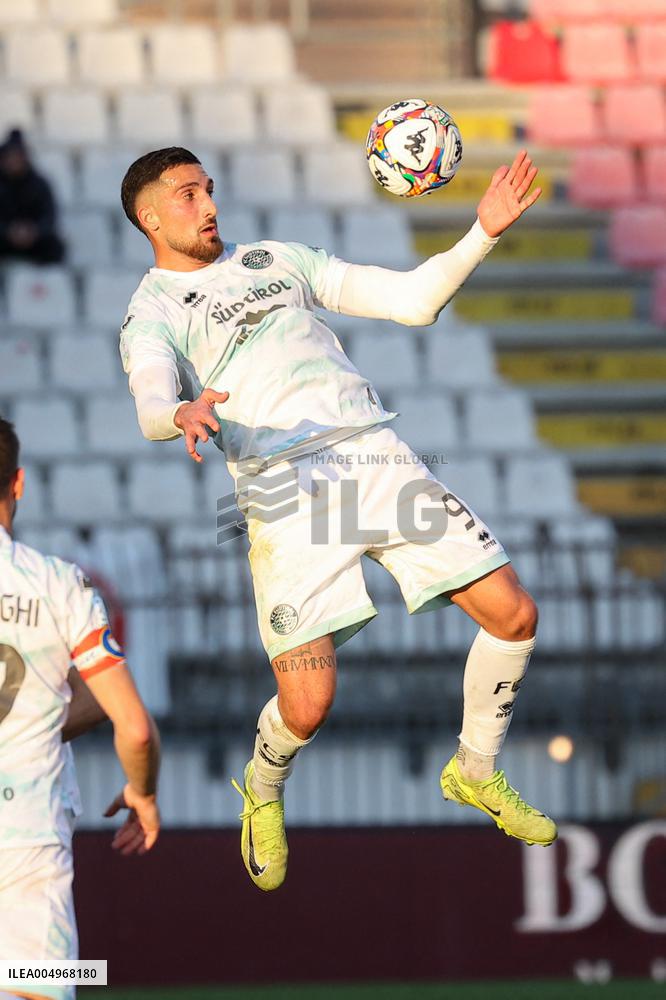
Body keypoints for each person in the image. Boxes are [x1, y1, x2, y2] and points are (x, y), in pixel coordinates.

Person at [118, 145, 556, 894]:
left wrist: (480, 232)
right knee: (310, 704)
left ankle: (475, 768)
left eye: (211, 190)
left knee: (514, 614)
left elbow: (415, 301)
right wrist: (179, 412)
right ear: (150, 216)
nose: (211, 205)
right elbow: (152, 400)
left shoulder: (276, 260)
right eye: (189, 195)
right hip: (283, 494)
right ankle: (262, 784)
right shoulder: (152, 311)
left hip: (373, 455)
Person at [0, 417, 161, 1000]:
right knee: (43, 984)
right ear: (18, 484)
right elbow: (135, 728)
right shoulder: (58, 584)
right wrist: (143, 792)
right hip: (27, 838)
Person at [0, 129, 65, 266]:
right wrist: (8, 231)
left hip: (35, 240)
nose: (13, 162)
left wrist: (34, 231)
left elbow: (50, 216)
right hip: (5, 239)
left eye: (17, 157)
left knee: (54, 248)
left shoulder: (40, 184)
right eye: (9, 157)